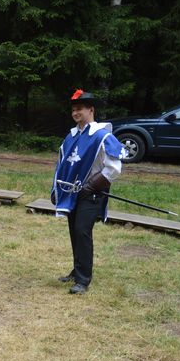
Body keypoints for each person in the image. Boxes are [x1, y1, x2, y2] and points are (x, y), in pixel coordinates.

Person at [51, 89, 125, 294]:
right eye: (73, 110)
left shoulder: (102, 136)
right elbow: (62, 165)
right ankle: (77, 271)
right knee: (74, 231)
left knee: (82, 231)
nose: (75, 113)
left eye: (80, 109)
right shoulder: (71, 137)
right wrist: (57, 190)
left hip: (92, 193)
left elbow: (114, 168)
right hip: (72, 193)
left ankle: (83, 280)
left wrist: (91, 185)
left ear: (91, 110)